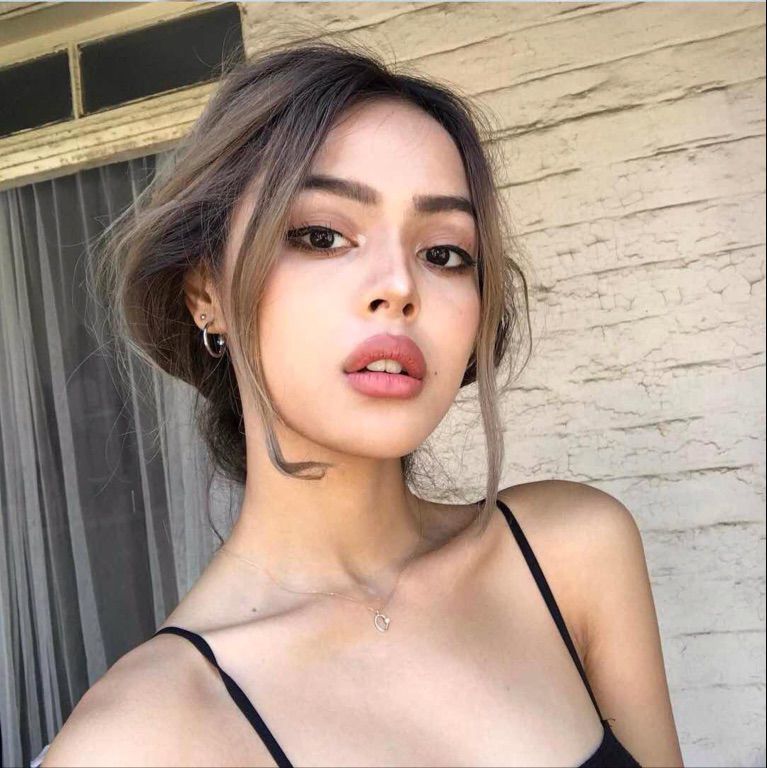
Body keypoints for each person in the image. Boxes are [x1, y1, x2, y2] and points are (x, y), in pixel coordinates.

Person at [38, 40, 683, 767]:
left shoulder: (573, 554)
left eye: (444, 253)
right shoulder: (142, 738)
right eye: (321, 236)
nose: (399, 285)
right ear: (205, 293)